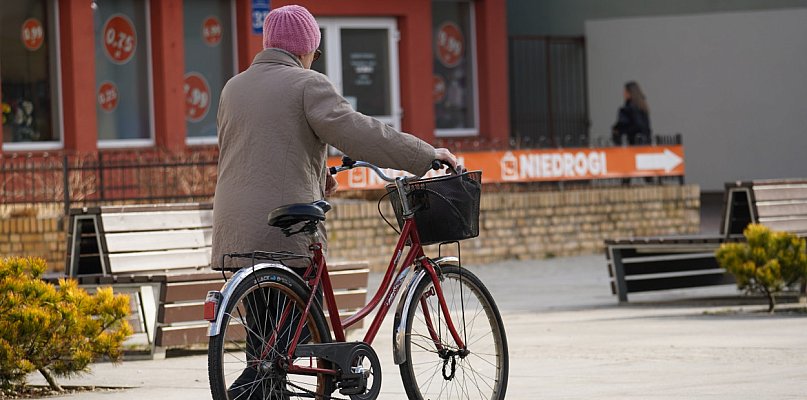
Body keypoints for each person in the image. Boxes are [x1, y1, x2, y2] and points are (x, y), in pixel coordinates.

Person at [210, 5, 458, 398]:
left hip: (234, 233)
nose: (313, 58)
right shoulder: (307, 84)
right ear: (306, 47)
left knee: (267, 354)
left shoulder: (233, 88)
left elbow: (254, 150)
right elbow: (360, 132)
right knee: (276, 357)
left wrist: (315, 174)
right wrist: (424, 155)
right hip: (283, 232)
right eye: (314, 51)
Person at [611, 81, 651, 146]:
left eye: (625, 91)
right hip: (646, 144)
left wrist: (618, 130)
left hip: (633, 144)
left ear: (629, 93)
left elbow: (624, 126)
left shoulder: (627, 109)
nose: (623, 94)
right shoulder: (643, 108)